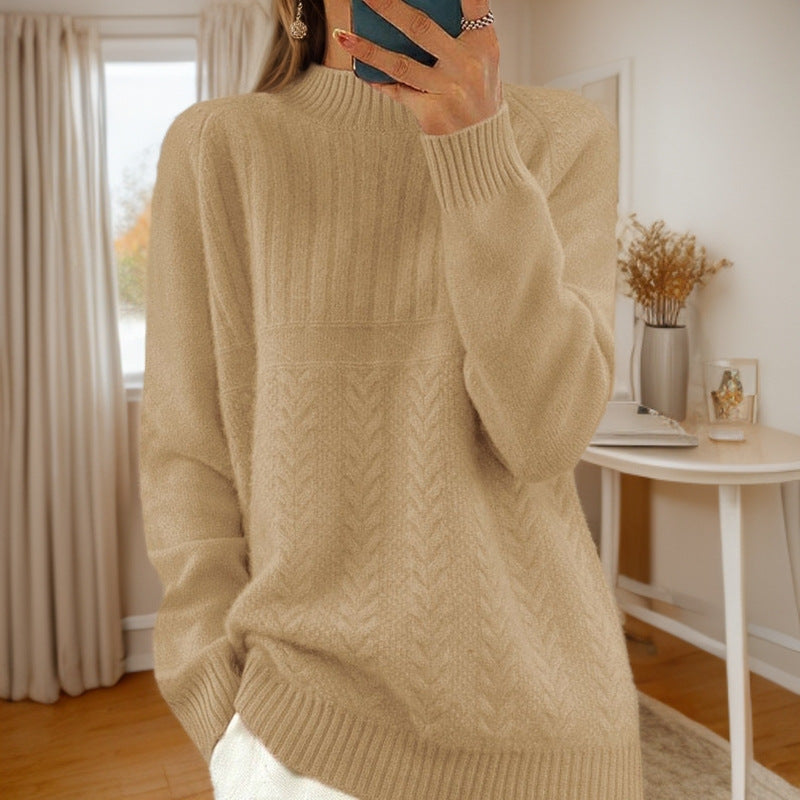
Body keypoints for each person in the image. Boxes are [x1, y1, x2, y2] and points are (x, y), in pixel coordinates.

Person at [138, 0, 645, 797]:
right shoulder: (218, 147)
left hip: (555, 735)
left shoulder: (566, 136)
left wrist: (477, 151)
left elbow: (546, 438)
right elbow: (185, 454)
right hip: (305, 740)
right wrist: (219, 707)